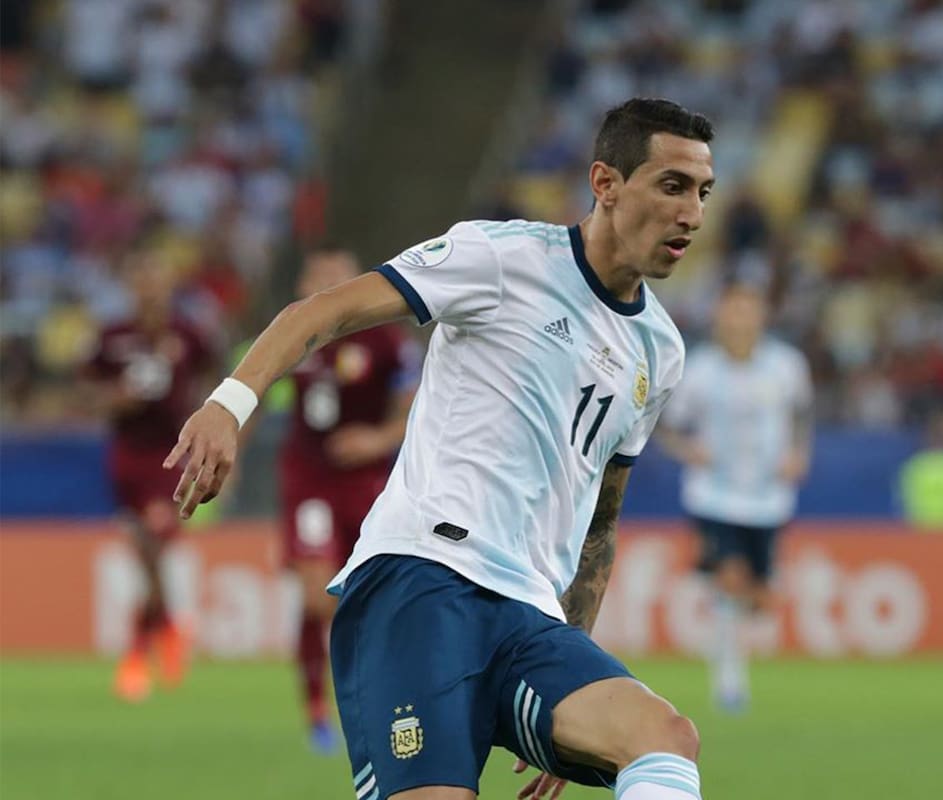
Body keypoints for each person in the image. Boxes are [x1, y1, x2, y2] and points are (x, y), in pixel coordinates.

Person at [166, 98, 715, 800]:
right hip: (423, 584)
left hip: (530, 621)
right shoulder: (502, 257)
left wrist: (576, 667)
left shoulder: (660, 352)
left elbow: (600, 525)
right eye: (672, 186)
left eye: (702, 193)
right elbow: (323, 310)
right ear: (605, 184)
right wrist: (227, 406)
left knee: (665, 739)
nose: (692, 215)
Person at [280, 245, 417, 753]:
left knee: (364, 597)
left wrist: (377, 440)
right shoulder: (290, 338)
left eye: (336, 279)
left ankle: (372, 698)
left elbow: (417, 407)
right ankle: (319, 708)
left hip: (368, 486)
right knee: (317, 597)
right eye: (316, 277)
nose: (325, 289)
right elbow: (255, 393)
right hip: (309, 483)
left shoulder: (387, 343)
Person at [657, 282, 813, 713]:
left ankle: (734, 638)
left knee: (760, 599)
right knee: (729, 577)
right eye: (732, 312)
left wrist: (800, 453)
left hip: (768, 498)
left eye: (748, 312)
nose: (740, 321)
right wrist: (689, 450)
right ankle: (729, 682)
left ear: (761, 317)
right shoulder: (700, 370)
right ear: (720, 318)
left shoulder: (786, 366)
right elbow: (666, 424)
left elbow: (801, 416)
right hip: (714, 496)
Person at [83, 249, 216, 702]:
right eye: (142, 281)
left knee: (156, 539)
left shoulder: (188, 334)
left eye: (157, 280)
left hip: (171, 453)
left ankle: (139, 652)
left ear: (169, 287)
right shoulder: (113, 336)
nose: (150, 289)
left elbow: (217, 375)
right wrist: (113, 398)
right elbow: (87, 391)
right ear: (132, 288)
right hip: (126, 456)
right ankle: (167, 627)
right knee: (146, 554)